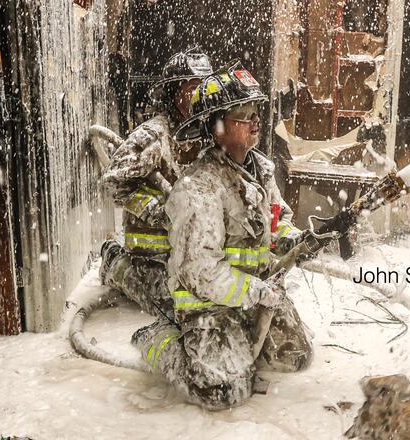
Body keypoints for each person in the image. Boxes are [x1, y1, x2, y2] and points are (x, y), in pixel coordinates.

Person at [133, 63, 312, 410]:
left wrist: (293, 240)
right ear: (217, 128)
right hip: (209, 306)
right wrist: (256, 292)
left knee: (296, 357)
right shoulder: (199, 188)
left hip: (255, 297)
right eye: (243, 114)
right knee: (220, 393)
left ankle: (240, 346)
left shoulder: (260, 170)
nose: (255, 120)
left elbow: (277, 222)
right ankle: (162, 339)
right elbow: (201, 272)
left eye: (254, 111)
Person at [99, 48, 213, 323]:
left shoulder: (209, 133)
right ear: (175, 92)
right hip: (151, 258)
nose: (201, 96)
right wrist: (158, 211)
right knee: (172, 307)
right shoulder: (154, 135)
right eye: (194, 88)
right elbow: (113, 182)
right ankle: (115, 262)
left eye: (205, 88)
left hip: (188, 254)